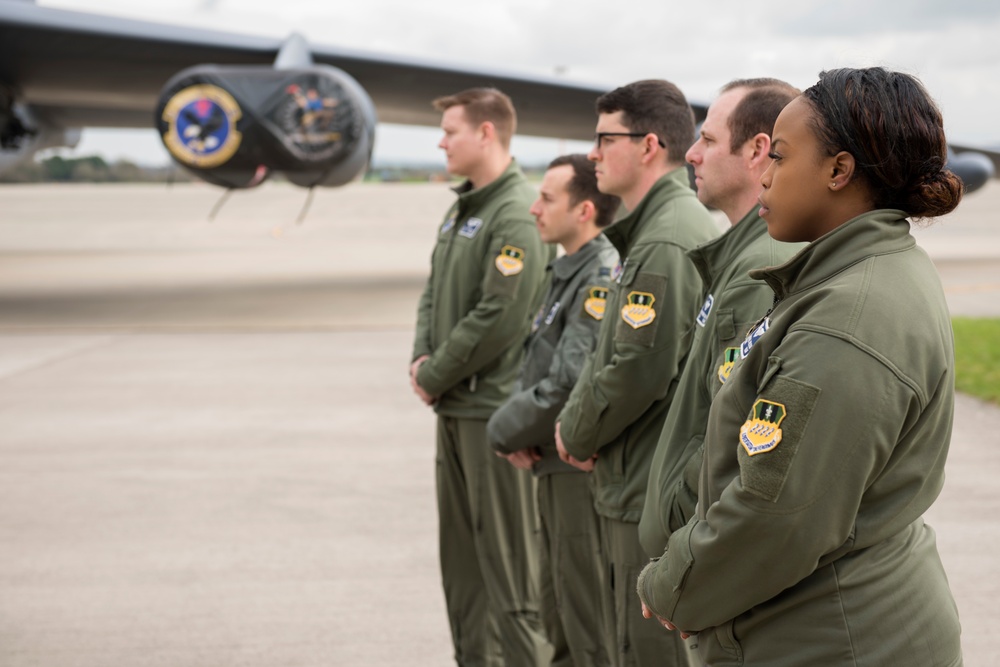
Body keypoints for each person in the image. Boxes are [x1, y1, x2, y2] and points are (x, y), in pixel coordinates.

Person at [637, 67, 964, 666]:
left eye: (780, 158)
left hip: (832, 640)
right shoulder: (857, 277)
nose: (763, 173)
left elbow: (775, 516)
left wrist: (670, 586)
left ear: (839, 171)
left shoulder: (846, 317)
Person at [555, 79, 719, 667]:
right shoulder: (659, 229)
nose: (593, 153)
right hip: (639, 474)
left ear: (648, 145)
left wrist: (572, 433)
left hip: (643, 482)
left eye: (604, 139)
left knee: (643, 650)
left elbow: (637, 369)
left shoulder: (666, 239)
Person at [410, 87, 553, 666]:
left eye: (451, 130)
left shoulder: (516, 211)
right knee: (463, 567)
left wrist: (435, 372)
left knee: (511, 572)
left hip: (490, 412)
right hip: (452, 405)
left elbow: (500, 314)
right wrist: (422, 360)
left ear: (486, 133)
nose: (441, 141)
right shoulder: (462, 209)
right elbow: (431, 293)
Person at [639, 78, 802, 560]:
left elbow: (732, 436)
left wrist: (679, 528)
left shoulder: (761, 267)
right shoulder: (742, 255)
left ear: (758, 150)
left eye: (707, 140)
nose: (691, 154)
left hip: (696, 549)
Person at [487, 154, 620, 667]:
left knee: (581, 617)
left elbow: (566, 383)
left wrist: (502, 431)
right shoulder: (567, 269)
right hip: (549, 458)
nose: (534, 208)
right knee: (557, 607)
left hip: (571, 469)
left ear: (583, 210)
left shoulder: (597, 278)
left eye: (546, 198)